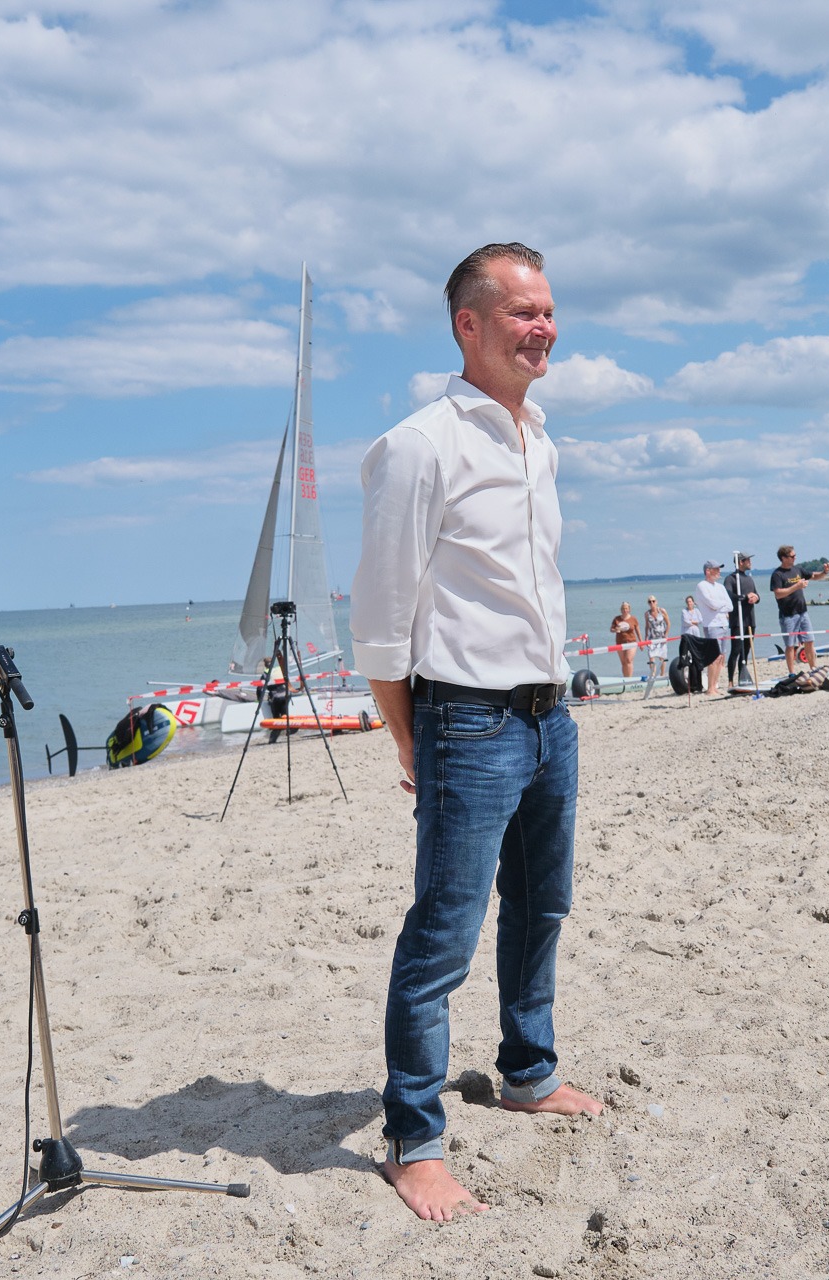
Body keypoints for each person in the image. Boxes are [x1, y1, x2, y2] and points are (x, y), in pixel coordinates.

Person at [351, 243, 602, 1222]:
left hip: (550, 713)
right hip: (467, 715)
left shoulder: (538, 440)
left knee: (542, 906)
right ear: (469, 324)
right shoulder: (421, 444)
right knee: (442, 937)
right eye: (522, 313)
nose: (543, 328)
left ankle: (527, 1070)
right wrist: (412, 736)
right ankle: (413, 1138)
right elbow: (382, 616)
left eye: (547, 311)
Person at [770, 545, 829, 673]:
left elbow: (814, 576)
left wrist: (824, 572)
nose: (795, 558)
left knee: (809, 641)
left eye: (795, 555)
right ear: (784, 558)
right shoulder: (777, 574)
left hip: (803, 612)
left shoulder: (797, 569)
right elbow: (778, 593)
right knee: (790, 645)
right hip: (788, 615)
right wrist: (796, 586)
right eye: (792, 556)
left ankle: (813, 668)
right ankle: (792, 673)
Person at [695, 560, 733, 696]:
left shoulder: (720, 587)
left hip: (723, 624)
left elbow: (730, 606)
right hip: (711, 625)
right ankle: (710, 688)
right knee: (714, 657)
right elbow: (712, 604)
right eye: (716, 569)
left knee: (722, 657)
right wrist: (720, 605)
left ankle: (714, 686)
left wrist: (719, 605)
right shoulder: (702, 586)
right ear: (708, 571)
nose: (719, 572)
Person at [725, 552, 762, 686]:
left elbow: (757, 595)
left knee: (745, 652)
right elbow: (729, 595)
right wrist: (746, 597)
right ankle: (730, 681)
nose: (750, 562)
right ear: (741, 562)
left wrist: (755, 598)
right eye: (748, 560)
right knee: (735, 651)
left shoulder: (749, 579)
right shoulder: (731, 579)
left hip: (750, 620)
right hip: (737, 621)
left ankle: (743, 679)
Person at [608, 602, 640, 677]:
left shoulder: (633, 619)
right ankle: (625, 679)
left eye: (626, 608)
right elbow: (611, 629)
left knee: (628, 660)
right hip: (620, 642)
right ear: (621, 610)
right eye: (623, 608)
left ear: (629, 609)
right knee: (623, 662)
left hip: (631, 642)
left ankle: (630, 679)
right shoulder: (617, 619)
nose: (624, 610)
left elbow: (637, 630)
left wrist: (641, 642)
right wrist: (615, 629)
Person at [643, 595, 670, 676]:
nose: (652, 603)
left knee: (662, 657)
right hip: (652, 638)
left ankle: (662, 674)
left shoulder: (662, 611)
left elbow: (668, 623)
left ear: (656, 602)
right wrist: (646, 637)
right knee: (651, 656)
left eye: (653, 601)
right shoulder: (647, 614)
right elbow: (647, 626)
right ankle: (653, 674)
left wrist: (666, 634)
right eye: (650, 602)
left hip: (661, 637)